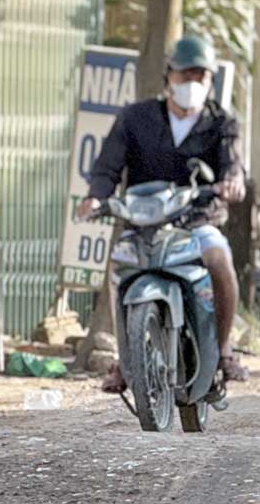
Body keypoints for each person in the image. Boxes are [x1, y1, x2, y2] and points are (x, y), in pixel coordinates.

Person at [76, 33, 248, 392]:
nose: (192, 83)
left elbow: (234, 166)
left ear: (210, 80)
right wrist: (96, 197)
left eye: (200, 76)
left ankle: (223, 349)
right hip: (143, 225)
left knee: (219, 260)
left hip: (197, 223)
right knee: (118, 271)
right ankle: (127, 360)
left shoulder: (222, 123)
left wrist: (232, 182)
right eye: (185, 75)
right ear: (168, 76)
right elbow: (107, 168)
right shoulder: (135, 118)